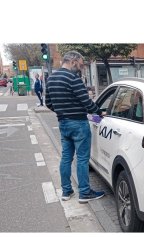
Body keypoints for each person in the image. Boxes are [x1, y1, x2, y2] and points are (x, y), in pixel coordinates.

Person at [45, 50, 106, 203]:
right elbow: (86, 102)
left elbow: (48, 103)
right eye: (80, 63)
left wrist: (62, 112)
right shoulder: (73, 78)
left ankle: (66, 191)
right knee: (82, 159)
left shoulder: (51, 79)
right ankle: (84, 193)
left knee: (66, 158)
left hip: (63, 123)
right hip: (79, 123)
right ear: (72, 61)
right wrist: (100, 112)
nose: (81, 66)